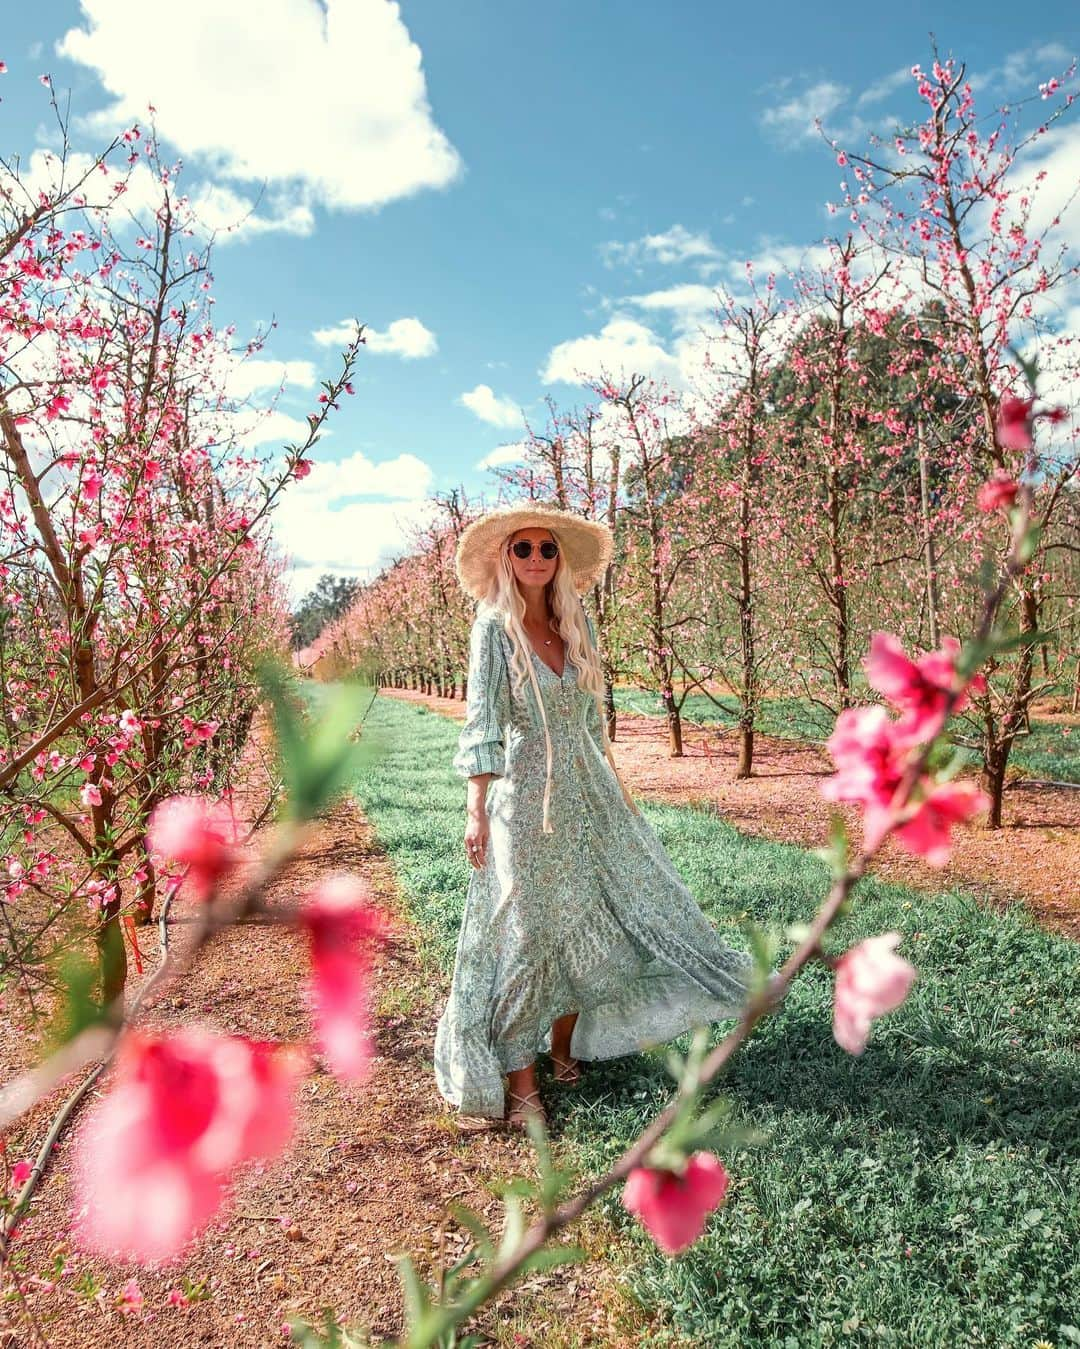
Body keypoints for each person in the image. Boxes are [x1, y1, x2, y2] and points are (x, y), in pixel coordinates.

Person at [433, 503, 754, 1130]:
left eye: (545, 549)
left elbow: (587, 720)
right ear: (505, 558)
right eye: (522, 549)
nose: (533, 559)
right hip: (523, 796)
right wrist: (476, 807)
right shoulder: (493, 629)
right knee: (528, 929)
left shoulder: (573, 623)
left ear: (558, 560)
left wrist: (611, 782)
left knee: (592, 911)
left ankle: (562, 1048)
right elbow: (482, 723)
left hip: (585, 789)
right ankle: (520, 1073)